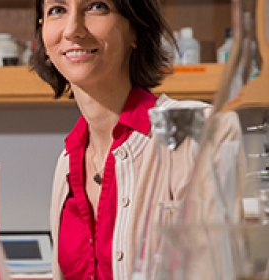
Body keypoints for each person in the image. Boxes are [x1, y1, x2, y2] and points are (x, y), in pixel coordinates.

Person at [30, 0, 233, 279]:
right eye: (57, 10)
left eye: (96, 6)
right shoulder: (67, 161)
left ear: (136, 31)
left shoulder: (195, 130)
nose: (72, 29)